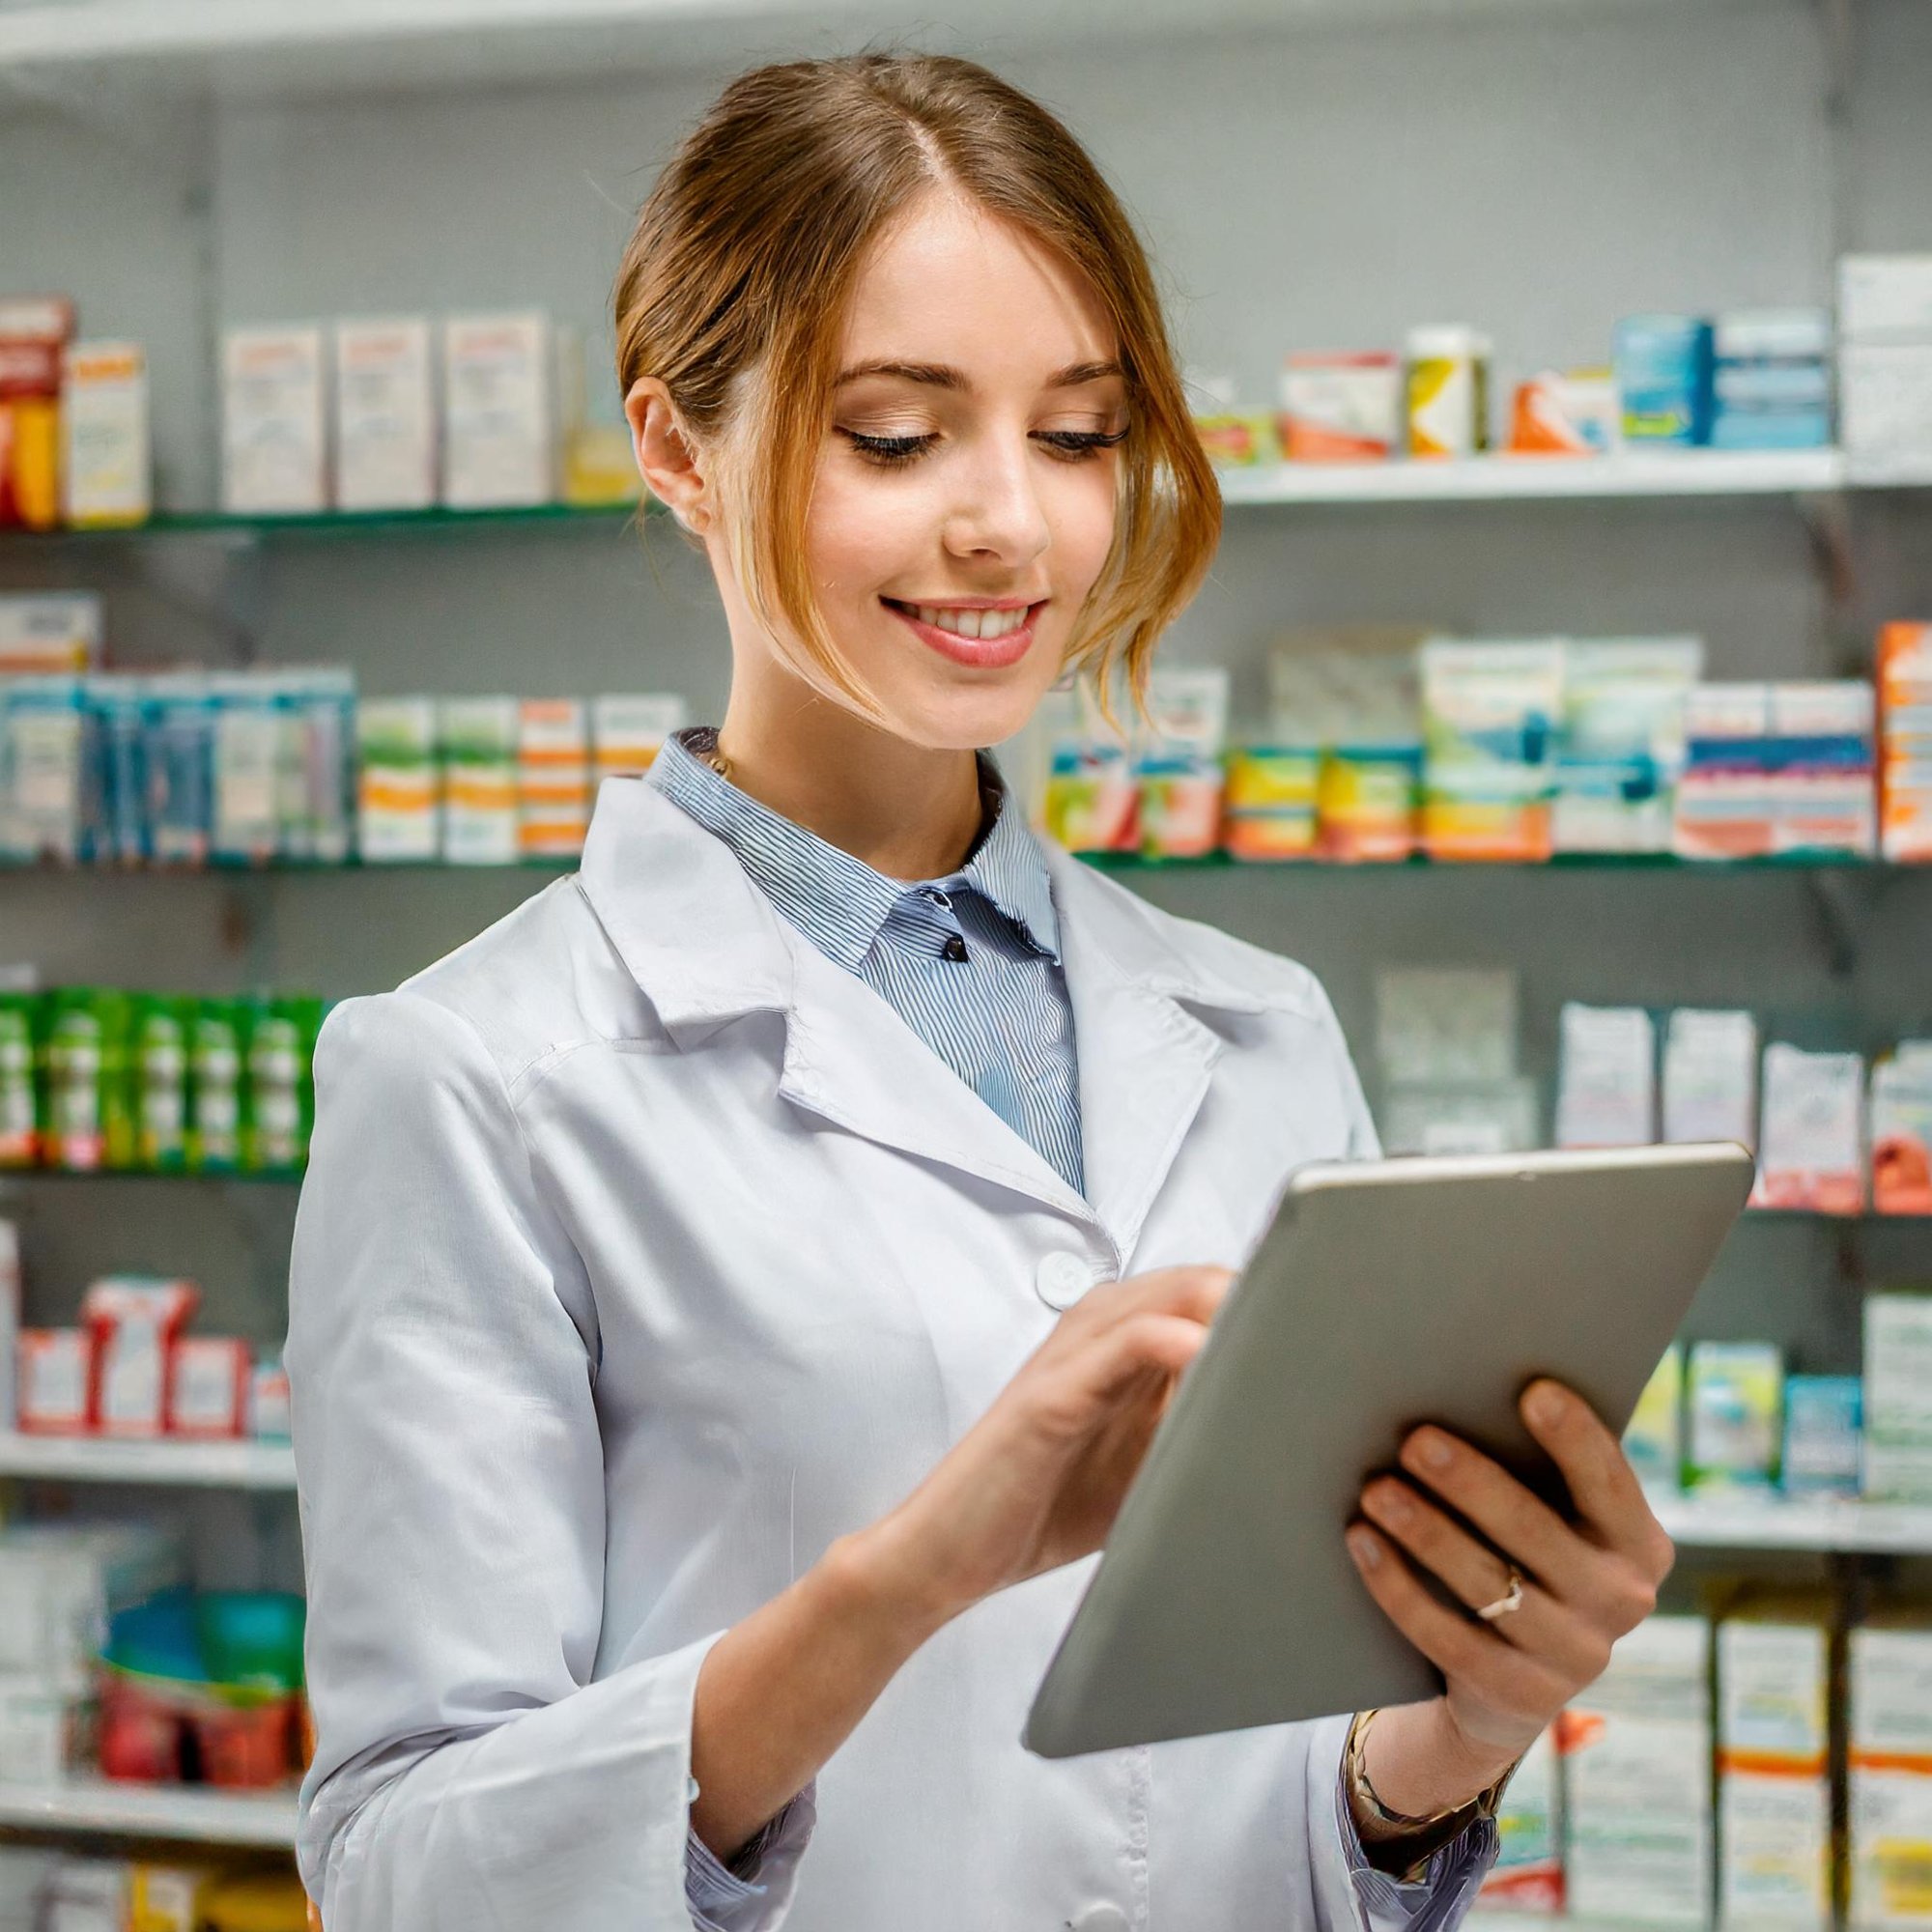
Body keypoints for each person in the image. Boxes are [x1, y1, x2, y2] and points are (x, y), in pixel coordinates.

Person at [287, 51, 1674, 1932]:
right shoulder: (470, 1076)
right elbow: (404, 1870)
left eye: (1078, 433)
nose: (1009, 525)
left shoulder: (1255, 1032)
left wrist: (1459, 1729)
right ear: (678, 447)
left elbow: (1252, 1814)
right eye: (895, 433)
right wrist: (897, 1584)